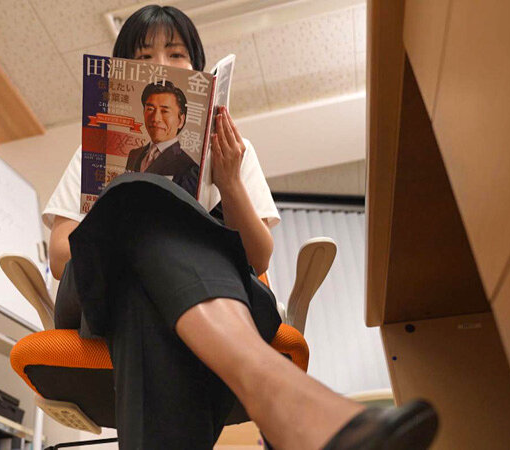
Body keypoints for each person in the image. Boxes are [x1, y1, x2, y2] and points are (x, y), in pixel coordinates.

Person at [42, 5, 438, 449]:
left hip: (190, 295)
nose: (161, 65)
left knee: (146, 291)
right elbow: (59, 257)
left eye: (176, 54)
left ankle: (289, 409)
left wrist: (228, 180)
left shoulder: (234, 149)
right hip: (97, 292)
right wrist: (120, 222)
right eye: (144, 56)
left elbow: (257, 258)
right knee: (136, 196)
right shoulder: (93, 151)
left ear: (197, 74)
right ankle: (283, 399)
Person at [125, 81, 199, 197]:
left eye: (164, 111)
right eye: (150, 109)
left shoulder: (188, 168)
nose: (155, 118)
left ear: (180, 120)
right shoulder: (134, 155)